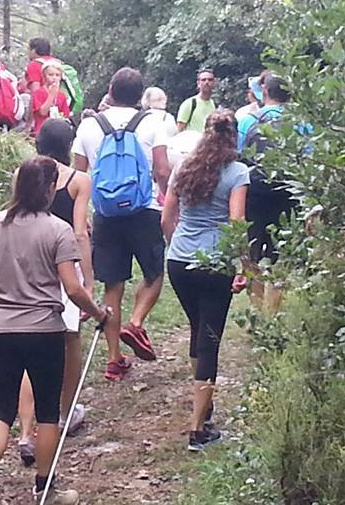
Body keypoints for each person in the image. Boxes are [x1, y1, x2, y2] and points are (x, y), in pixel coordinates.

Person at [0, 157, 109, 505]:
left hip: (0, 326)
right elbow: (73, 289)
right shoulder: (57, 229)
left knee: (2, 407)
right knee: (47, 411)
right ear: (48, 190)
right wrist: (99, 313)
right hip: (44, 328)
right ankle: (45, 488)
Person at [72, 67, 171, 382]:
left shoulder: (90, 125)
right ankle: (136, 322)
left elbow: (78, 173)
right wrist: (167, 199)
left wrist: (82, 212)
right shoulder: (153, 122)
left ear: (110, 91)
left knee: (112, 284)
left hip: (106, 214)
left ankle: (114, 358)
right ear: (140, 97)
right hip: (144, 209)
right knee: (154, 274)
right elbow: (162, 169)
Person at [160, 110, 250, 452]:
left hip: (181, 261)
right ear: (233, 136)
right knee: (210, 339)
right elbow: (236, 223)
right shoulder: (237, 172)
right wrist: (244, 265)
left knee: (198, 330)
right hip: (215, 263)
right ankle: (198, 429)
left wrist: (176, 247)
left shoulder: (184, 167)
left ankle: (204, 405)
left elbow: (168, 216)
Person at [17, 120, 95, 464]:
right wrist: (88, 280)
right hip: (64, 266)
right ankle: (65, 414)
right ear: (69, 144)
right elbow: (80, 233)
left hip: (29, 264)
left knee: (30, 350)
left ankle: (25, 431)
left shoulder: (24, 173)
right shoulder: (78, 180)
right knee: (69, 341)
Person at [237, 71, 296, 310]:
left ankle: (256, 312)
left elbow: (238, 159)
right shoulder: (301, 121)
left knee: (253, 252)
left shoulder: (248, 120)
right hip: (287, 193)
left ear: (266, 92)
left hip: (255, 193)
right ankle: (275, 311)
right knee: (281, 253)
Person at [31, 62, 71, 136]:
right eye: (50, 75)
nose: (54, 77)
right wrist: (52, 95)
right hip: (42, 131)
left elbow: (66, 116)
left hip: (57, 132)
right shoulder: (38, 92)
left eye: (57, 75)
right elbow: (42, 112)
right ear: (44, 76)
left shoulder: (62, 96)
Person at [176, 68, 218, 133]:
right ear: (198, 83)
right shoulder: (190, 104)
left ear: (214, 83)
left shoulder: (215, 104)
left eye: (210, 80)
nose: (207, 82)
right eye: (203, 80)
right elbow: (180, 130)